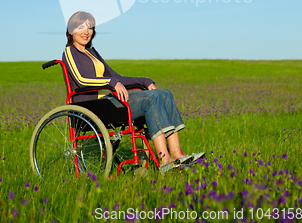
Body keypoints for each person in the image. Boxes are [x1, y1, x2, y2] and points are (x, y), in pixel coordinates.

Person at [62, 11, 204, 173]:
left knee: (164, 94)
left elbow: (116, 77)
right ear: (71, 31)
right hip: (91, 107)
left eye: (90, 28)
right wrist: (111, 82)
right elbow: (81, 80)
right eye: (81, 27)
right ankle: (164, 159)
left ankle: (177, 155)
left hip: (107, 102)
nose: (86, 32)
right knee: (151, 99)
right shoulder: (69, 52)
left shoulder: (92, 53)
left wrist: (144, 81)